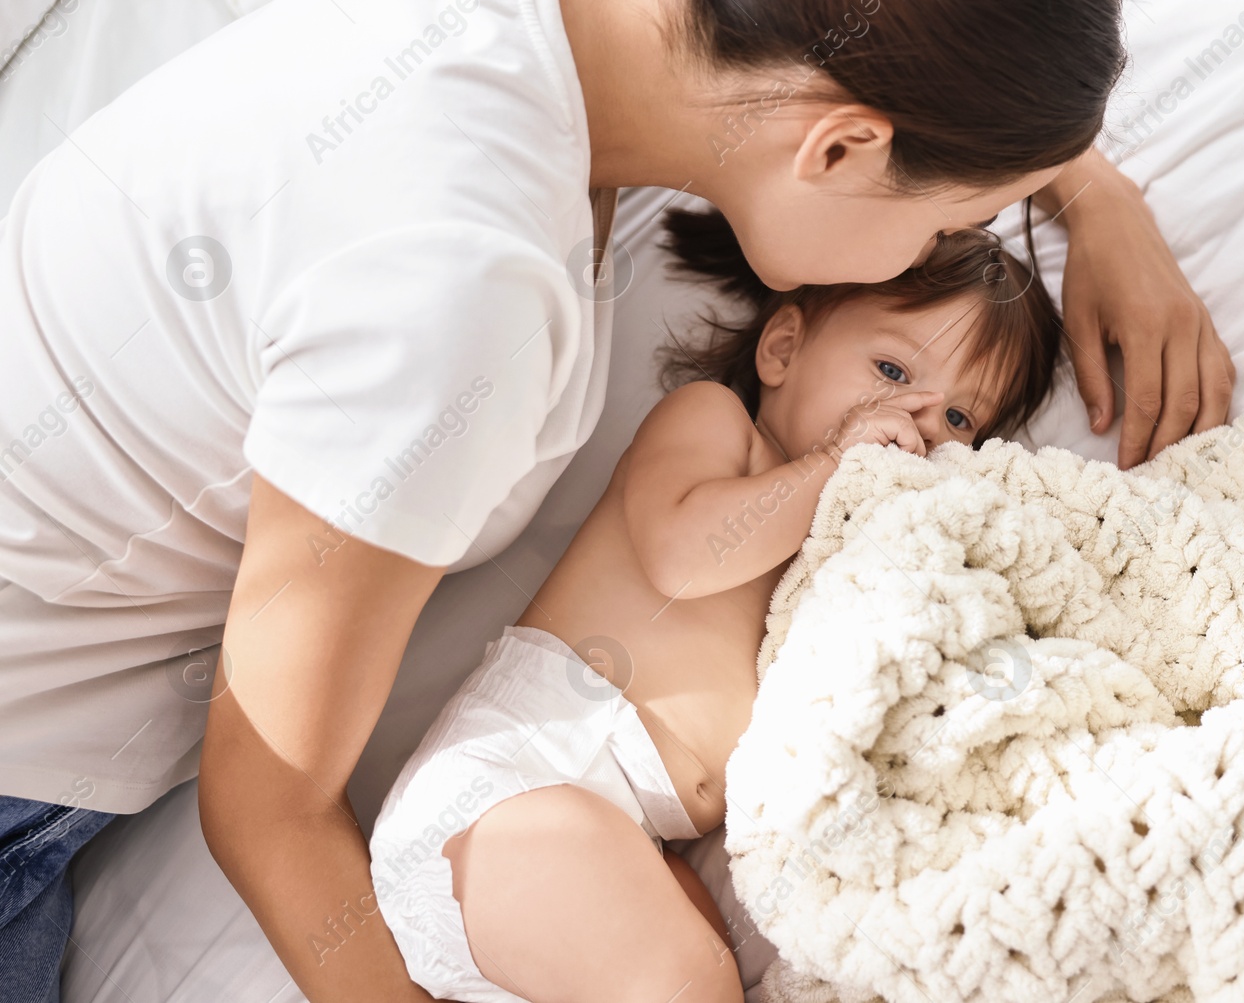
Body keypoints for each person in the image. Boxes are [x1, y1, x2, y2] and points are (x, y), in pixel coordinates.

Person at [0, 0, 1231, 1000]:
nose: (941, 251)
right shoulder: (455, 300)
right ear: (844, 144)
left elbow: (882, 16)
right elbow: (266, 802)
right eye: (952, 223)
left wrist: (1088, 189)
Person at [369, 210, 1065, 1003]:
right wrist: (834, 459)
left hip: (624, 842)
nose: (916, 422)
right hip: (510, 793)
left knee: (729, 973)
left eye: (958, 419)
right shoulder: (716, 425)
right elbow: (682, 555)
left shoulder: (838, 563)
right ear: (782, 348)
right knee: (688, 982)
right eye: (894, 372)